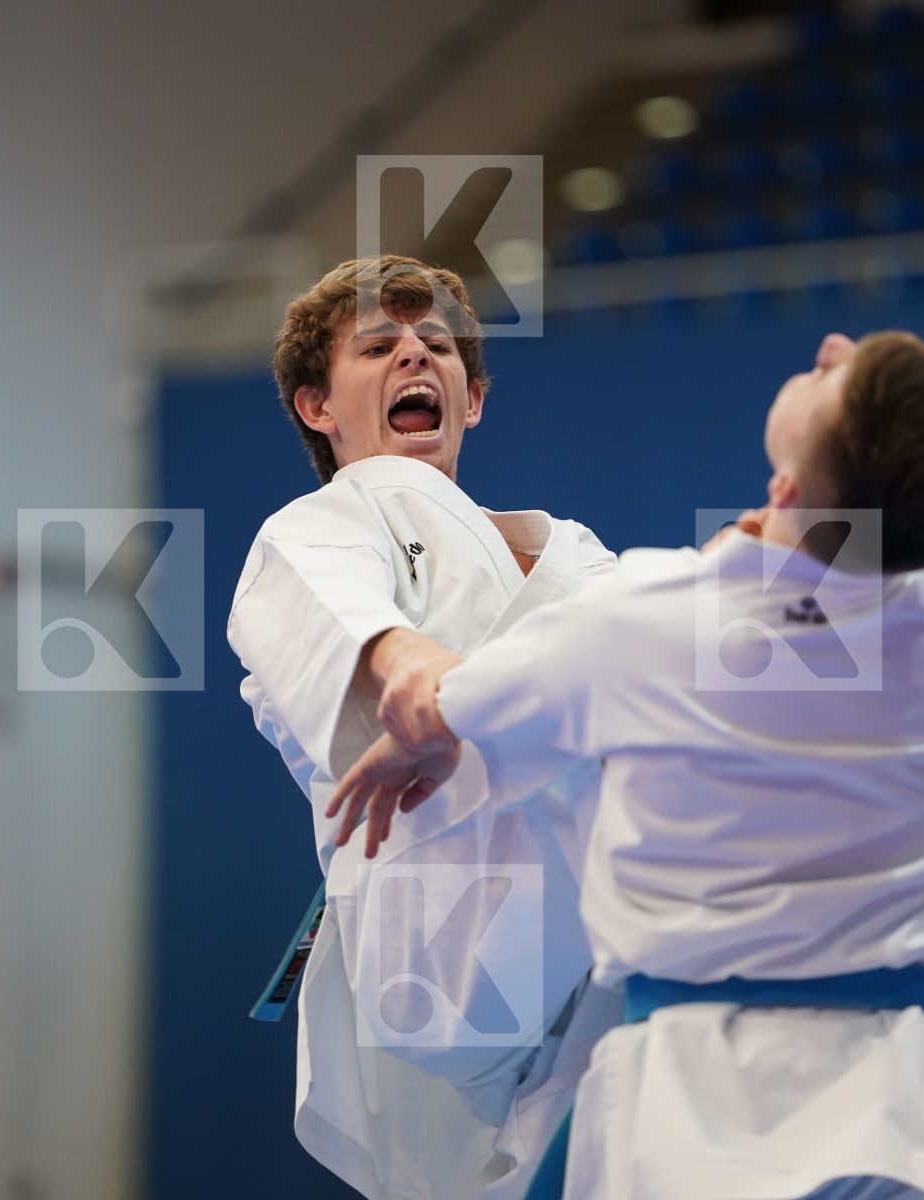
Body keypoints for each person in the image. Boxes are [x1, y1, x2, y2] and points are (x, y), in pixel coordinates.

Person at [328, 331, 924, 1199]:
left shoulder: (650, 622)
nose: (830, 342)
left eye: (830, 376)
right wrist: (766, 543)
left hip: (700, 1128)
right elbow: (823, 585)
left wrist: (413, 700)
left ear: (785, 487)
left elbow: (434, 704)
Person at [227, 255, 622, 1199]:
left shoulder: (574, 554)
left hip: (587, 953)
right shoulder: (316, 528)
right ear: (317, 408)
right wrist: (429, 688)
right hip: (441, 937)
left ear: (472, 399)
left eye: (437, 344)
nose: (416, 354)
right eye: (379, 346)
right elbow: (358, 630)